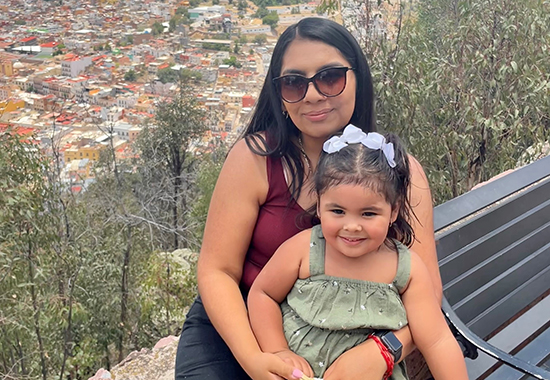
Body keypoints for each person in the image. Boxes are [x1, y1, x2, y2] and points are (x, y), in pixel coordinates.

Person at [175, 17, 442, 380]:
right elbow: (217, 270)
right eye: (294, 83)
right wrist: (256, 358)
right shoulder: (256, 158)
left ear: (357, 79)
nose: (313, 94)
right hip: (239, 325)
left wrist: (385, 349)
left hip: (350, 337)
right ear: (280, 95)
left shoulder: (399, 173)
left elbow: (424, 293)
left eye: (330, 77)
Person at [247, 126, 468, 380]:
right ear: (319, 205)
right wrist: (278, 350)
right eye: (338, 211)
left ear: (393, 211)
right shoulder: (304, 249)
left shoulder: (405, 269)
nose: (352, 226)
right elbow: (263, 294)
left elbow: (437, 340)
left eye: (368, 213)